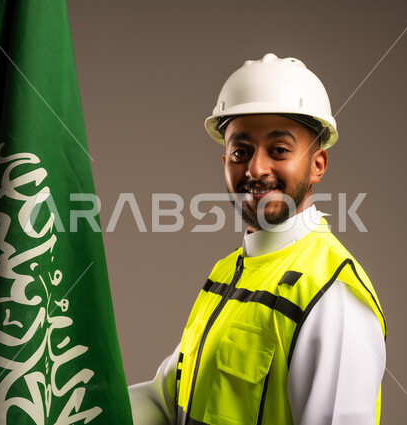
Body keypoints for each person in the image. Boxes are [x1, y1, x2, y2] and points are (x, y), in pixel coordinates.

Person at [129, 53, 387, 425]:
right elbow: (167, 401)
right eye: (241, 151)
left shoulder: (332, 294)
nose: (255, 168)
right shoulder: (228, 273)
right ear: (224, 162)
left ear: (317, 165)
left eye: (279, 150)